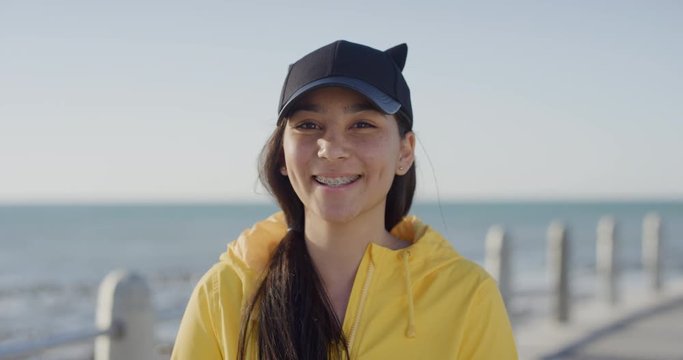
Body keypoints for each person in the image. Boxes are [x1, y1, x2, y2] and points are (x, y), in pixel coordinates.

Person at [171, 40, 517, 359]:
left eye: (362, 124)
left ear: (404, 152)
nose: (332, 149)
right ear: (282, 155)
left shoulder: (467, 296)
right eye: (308, 125)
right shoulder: (225, 293)